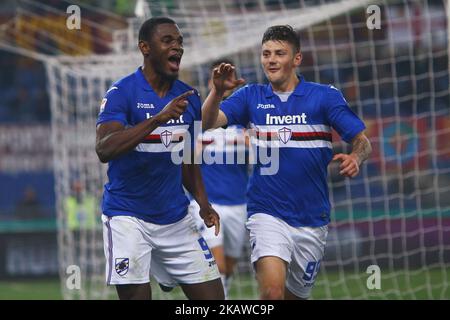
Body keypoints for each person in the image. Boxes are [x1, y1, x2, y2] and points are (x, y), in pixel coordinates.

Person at [202, 25, 372, 300]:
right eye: (266, 53)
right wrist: (217, 93)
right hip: (266, 212)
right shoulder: (250, 97)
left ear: (296, 59)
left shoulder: (324, 97)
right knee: (272, 293)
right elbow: (207, 122)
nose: (271, 59)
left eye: (279, 53)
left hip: (312, 218)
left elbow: (362, 140)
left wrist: (356, 157)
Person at [95, 17, 224, 300]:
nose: (176, 47)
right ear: (145, 47)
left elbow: (188, 157)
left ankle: (166, 269)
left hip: (176, 217)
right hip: (128, 217)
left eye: (179, 42)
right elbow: (104, 148)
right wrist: (158, 119)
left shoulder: (189, 97)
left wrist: (203, 202)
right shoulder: (121, 93)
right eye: (167, 41)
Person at [188, 59, 249, 298]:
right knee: (218, 266)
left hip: (239, 204)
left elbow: (265, 153)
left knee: (230, 267)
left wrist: (253, 143)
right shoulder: (201, 122)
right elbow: (185, 160)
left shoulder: (243, 122)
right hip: (209, 205)